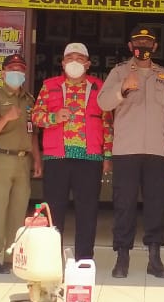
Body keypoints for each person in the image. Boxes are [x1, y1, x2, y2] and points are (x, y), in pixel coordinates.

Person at [98, 25, 164, 279]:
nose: (143, 46)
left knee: (156, 204)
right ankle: (122, 257)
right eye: (138, 42)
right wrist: (122, 88)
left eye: (148, 42)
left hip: (156, 152)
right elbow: (102, 102)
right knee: (124, 205)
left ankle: (155, 258)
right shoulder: (119, 72)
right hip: (126, 150)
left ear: (155, 46)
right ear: (130, 46)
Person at [32, 43, 113, 261]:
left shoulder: (99, 87)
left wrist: (107, 156)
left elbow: (107, 123)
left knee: (87, 211)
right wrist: (53, 117)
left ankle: (84, 260)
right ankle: (51, 259)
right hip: (56, 157)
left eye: (79, 58)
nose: (74, 62)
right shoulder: (49, 86)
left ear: (88, 64)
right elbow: (36, 116)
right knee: (53, 211)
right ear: (62, 63)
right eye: (69, 58)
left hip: (90, 158)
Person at [0, 54, 41, 274]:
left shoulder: (29, 100)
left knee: (18, 210)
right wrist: (6, 117)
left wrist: (37, 159)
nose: (17, 73)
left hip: (23, 160)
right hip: (2, 159)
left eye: (20, 70)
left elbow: (32, 133)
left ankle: (12, 257)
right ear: (3, 73)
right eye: (12, 69)